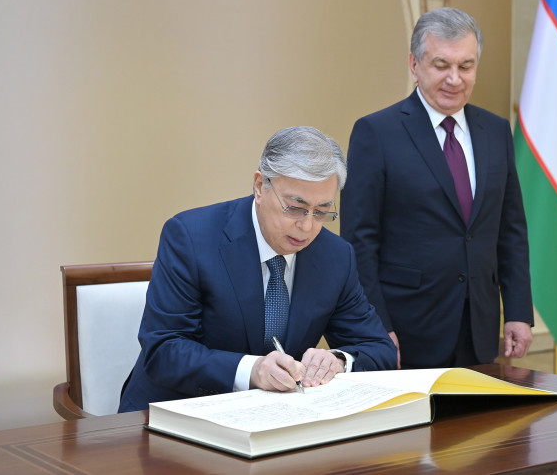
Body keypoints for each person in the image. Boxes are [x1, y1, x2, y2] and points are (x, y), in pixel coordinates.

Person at [119, 126, 397, 412]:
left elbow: (380, 349)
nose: (307, 226)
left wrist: (338, 360)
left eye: (322, 211)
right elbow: (163, 350)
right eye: (295, 207)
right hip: (175, 413)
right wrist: (251, 370)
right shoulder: (190, 237)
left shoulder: (335, 255)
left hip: (273, 419)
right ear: (260, 186)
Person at [340, 7, 533, 369]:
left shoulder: (495, 131)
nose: (454, 79)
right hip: (407, 330)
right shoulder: (376, 133)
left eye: (466, 66)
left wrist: (518, 311)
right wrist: (375, 327)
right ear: (414, 65)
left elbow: (511, 230)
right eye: (441, 65)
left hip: (479, 328)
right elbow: (358, 241)